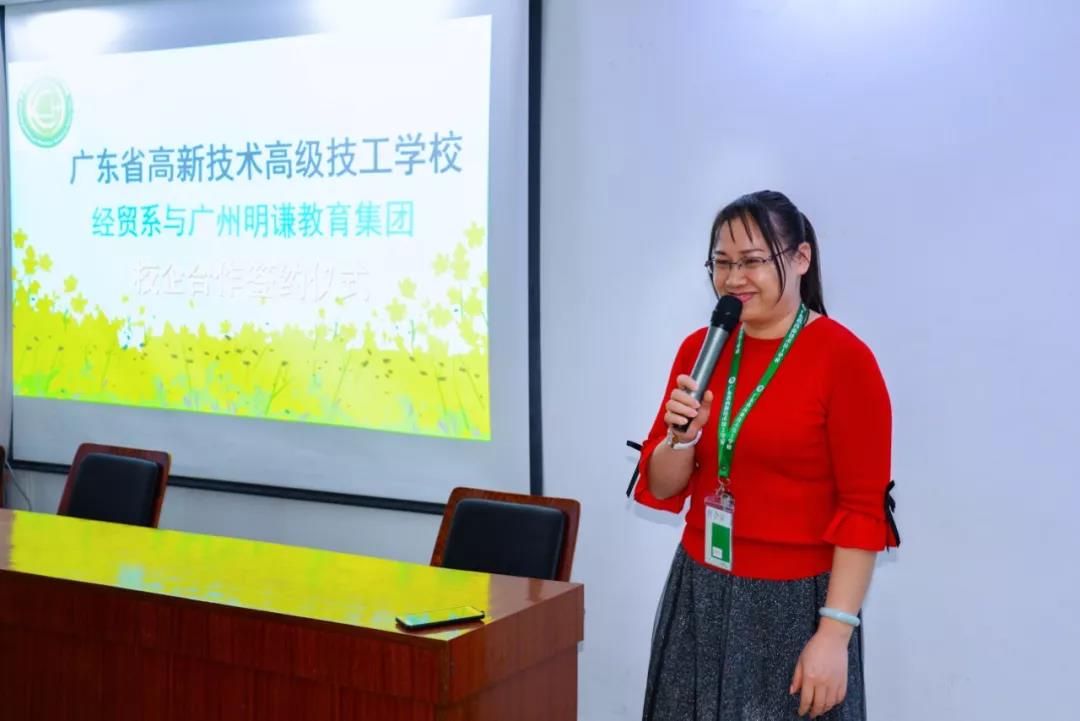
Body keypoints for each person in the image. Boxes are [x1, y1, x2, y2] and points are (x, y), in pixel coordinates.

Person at [635, 190, 899, 720]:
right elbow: (663, 485)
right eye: (722, 263)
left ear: (801, 258)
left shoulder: (844, 359)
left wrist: (834, 634)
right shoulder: (700, 349)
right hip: (700, 588)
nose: (734, 278)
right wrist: (681, 438)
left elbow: (862, 511)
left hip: (795, 605)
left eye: (752, 261)